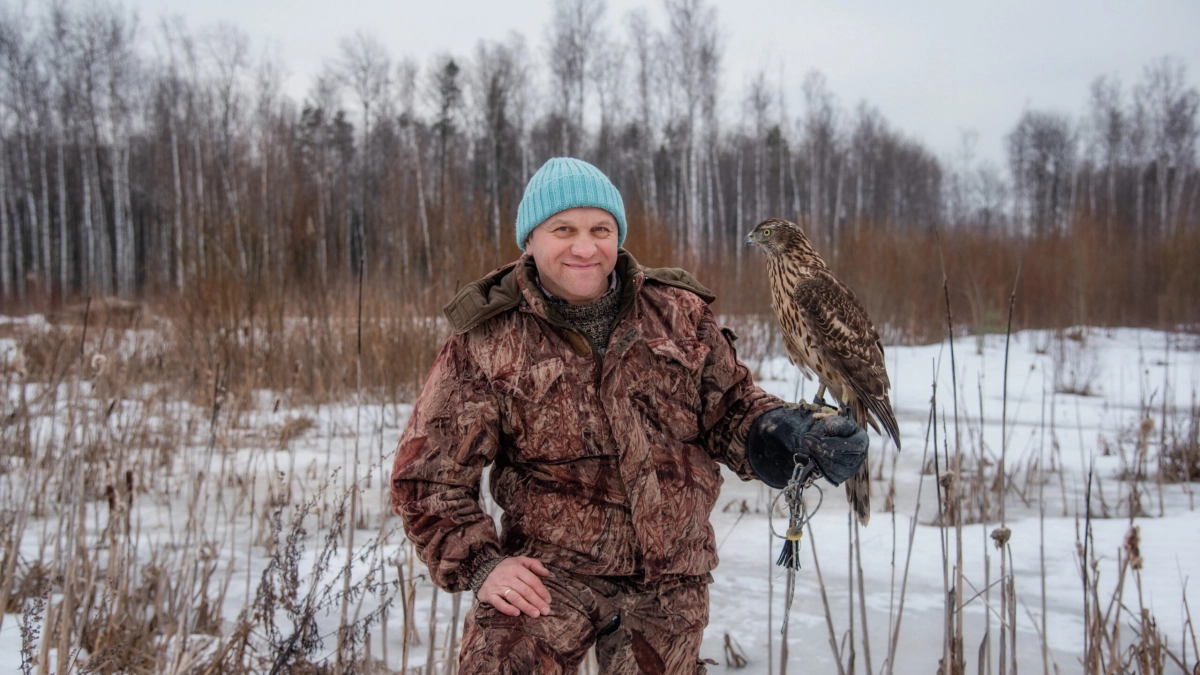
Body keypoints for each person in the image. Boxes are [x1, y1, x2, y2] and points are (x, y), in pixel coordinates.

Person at [390, 157, 869, 674]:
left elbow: (730, 410)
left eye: (601, 229)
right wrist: (483, 564)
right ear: (529, 240)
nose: (584, 246)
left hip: (669, 583)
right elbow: (426, 477)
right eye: (563, 229)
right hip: (549, 576)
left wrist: (780, 433)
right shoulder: (487, 338)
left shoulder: (679, 312)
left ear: (618, 235)